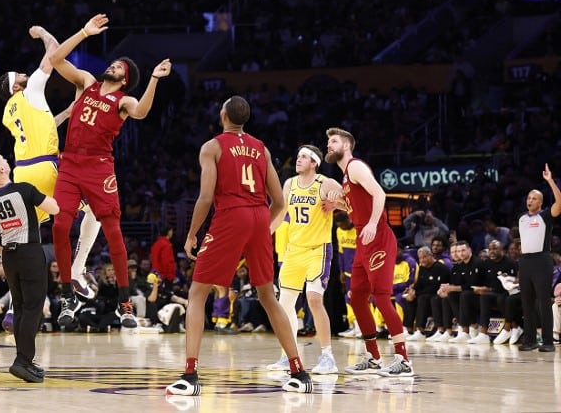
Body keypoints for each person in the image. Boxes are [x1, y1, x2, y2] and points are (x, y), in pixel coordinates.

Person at [167, 95, 312, 396]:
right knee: (267, 295)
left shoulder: (213, 146)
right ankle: (299, 372)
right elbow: (280, 201)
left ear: (223, 115)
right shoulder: (262, 148)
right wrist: (262, 227)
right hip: (260, 215)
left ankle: (190, 376)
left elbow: (206, 197)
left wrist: (192, 233)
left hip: (232, 215)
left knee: (197, 293)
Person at [48, 13, 171, 329]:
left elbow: (142, 112)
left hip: (99, 167)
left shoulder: (124, 100)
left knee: (114, 233)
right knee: (60, 226)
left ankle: (125, 303)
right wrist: (83, 32)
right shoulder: (88, 82)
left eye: (119, 67)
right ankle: (67, 296)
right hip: (71, 163)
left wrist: (155, 79)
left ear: (126, 78)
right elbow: (56, 58)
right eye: (113, 63)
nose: (113, 65)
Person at [0, 24, 101, 301]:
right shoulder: (30, 90)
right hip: (46, 169)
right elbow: (54, 52)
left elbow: (43, 127)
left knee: (26, 235)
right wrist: (42, 33)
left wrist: (68, 112)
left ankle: (12, 301)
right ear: (16, 85)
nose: (24, 73)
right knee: (97, 211)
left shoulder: (10, 111)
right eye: (19, 75)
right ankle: (77, 270)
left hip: (23, 172)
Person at [323, 127, 413, 376]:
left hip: (378, 236)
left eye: (333, 141)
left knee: (381, 297)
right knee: (357, 297)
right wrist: (337, 205)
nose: (329, 145)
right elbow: (358, 204)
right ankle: (373, 357)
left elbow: (379, 193)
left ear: (347, 145)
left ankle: (404, 360)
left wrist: (374, 223)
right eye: (328, 142)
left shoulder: (355, 166)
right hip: (363, 238)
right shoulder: (345, 177)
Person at [0, 151, 60, 383]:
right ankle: (23, 361)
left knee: (20, 308)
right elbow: (54, 209)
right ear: (2, 169)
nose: (6, 162)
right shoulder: (24, 189)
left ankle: (25, 361)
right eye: (4, 160)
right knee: (33, 308)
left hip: (9, 256)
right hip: (30, 251)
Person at [267, 145, 339, 375]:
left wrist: (337, 204)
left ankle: (328, 357)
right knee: (284, 305)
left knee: (314, 299)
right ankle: (288, 356)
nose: (298, 159)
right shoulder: (290, 184)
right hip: (294, 251)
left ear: (314, 162)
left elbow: (350, 201)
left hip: (318, 248)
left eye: (304, 157)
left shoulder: (325, 183)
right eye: (298, 156)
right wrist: (263, 234)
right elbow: (279, 215)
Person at [516, 164, 560, 352]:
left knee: (543, 301)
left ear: (540, 202)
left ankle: (548, 342)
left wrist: (550, 180)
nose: (530, 200)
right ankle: (530, 340)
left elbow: (560, 203)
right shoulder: (522, 218)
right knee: (526, 301)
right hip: (525, 261)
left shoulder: (545, 216)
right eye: (528, 198)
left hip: (542, 260)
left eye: (534, 198)